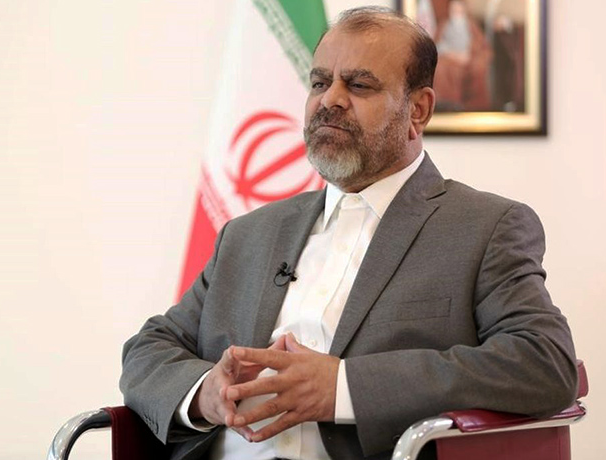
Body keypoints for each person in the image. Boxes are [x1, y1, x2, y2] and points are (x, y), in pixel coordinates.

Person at [120, 6, 578, 460]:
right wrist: (205, 394)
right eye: (320, 83)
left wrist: (342, 388)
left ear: (418, 110)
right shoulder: (247, 234)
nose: (330, 100)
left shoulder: (483, 229)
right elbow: (148, 349)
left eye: (359, 85)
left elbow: (543, 362)